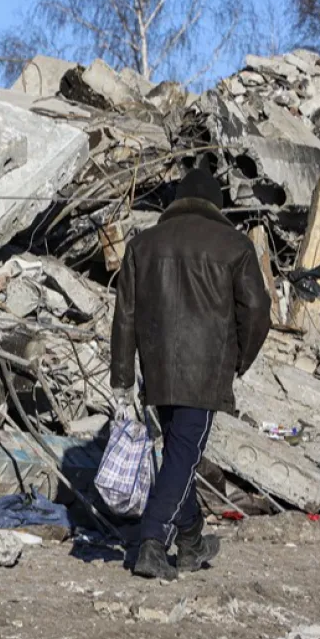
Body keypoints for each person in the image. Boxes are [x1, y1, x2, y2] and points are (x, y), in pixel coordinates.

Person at [110, 168, 271, 580]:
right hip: (205, 371)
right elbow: (256, 311)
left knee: (178, 455)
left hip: (159, 370)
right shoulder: (234, 246)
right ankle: (152, 540)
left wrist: (123, 376)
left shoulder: (142, 246)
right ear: (215, 205)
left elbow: (124, 316)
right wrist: (239, 360)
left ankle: (192, 540)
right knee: (184, 454)